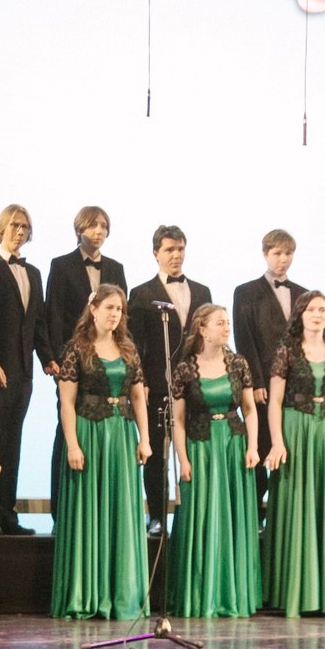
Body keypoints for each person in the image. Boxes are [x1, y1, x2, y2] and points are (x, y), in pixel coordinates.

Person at [50, 284, 151, 621]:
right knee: (89, 512)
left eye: (119, 309)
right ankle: (87, 592)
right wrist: (72, 443)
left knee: (120, 511)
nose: (114, 314)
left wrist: (144, 438)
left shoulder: (128, 349)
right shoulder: (76, 350)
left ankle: (120, 592)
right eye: (109, 307)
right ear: (93, 309)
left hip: (120, 435)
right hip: (89, 434)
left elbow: (137, 397)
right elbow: (66, 402)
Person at [264, 291, 325, 618]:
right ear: (300, 314)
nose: (318, 314)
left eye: (323, 310)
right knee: (298, 505)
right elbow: (275, 402)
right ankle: (295, 592)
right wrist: (277, 442)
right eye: (312, 309)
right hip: (296, 429)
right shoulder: (287, 351)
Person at [167, 304, 261, 620]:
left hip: (233, 446)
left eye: (227, 322)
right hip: (201, 448)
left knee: (232, 518)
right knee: (202, 518)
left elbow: (249, 409)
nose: (226, 327)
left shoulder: (238, 364)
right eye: (220, 323)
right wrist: (182, 458)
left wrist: (253, 446)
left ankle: (232, 595)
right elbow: (178, 420)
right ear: (202, 329)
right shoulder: (185, 369)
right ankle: (200, 595)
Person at [43, 205, 128, 507]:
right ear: (79, 229)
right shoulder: (61, 265)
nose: (99, 231)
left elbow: (122, 316)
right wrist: (55, 357)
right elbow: (53, 313)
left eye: (103, 226)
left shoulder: (116, 267)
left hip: (109, 359)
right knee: (67, 430)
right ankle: (61, 509)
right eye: (93, 226)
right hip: (73, 360)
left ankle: (104, 506)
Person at [0, 204, 48, 535]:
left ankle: (8, 514)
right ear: (1, 228)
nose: (19, 231)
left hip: (24, 372)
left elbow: (38, 323)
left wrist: (49, 358)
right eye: (14, 225)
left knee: (13, 442)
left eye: (25, 227)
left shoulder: (34, 273)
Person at [128, 224, 211, 532]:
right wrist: (142, 384)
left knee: (195, 447)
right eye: (169, 249)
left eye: (180, 249)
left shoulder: (202, 291)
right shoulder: (141, 294)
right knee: (157, 455)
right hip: (156, 385)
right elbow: (135, 344)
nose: (176, 255)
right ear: (156, 253)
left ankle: (195, 515)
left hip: (195, 384)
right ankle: (157, 516)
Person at [230, 228, 304, 399]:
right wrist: (255, 382)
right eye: (277, 253)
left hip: (299, 380)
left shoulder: (303, 293)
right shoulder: (246, 292)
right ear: (265, 254)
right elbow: (244, 340)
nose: (284, 259)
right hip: (265, 379)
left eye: (289, 253)